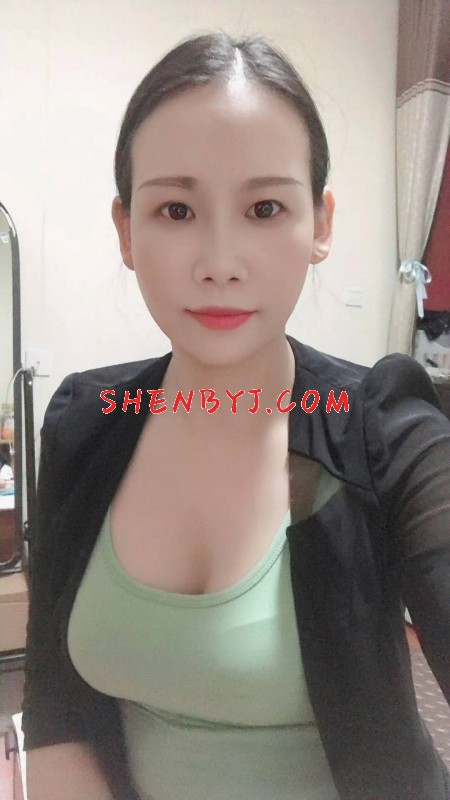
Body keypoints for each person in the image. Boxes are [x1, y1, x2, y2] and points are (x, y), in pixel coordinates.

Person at [21, 30, 450, 800]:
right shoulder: (87, 420)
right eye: (176, 209)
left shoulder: (382, 427)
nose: (220, 262)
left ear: (320, 224)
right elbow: (57, 712)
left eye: (264, 207)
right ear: (126, 231)